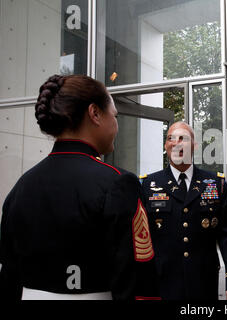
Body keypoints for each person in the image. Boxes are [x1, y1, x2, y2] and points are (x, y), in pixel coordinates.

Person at [0, 75, 159, 300]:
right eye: (114, 115)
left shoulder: (22, 186)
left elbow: (9, 277)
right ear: (95, 113)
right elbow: (137, 281)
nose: (116, 124)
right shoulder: (118, 183)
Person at [140, 121, 227, 300]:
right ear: (166, 146)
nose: (177, 142)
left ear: (195, 146)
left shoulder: (214, 183)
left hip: (203, 282)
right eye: (171, 138)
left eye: (183, 138)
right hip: (163, 282)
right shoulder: (147, 185)